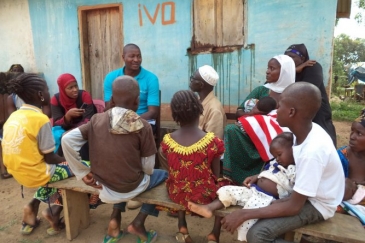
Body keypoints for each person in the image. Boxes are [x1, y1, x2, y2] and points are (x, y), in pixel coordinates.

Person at [220, 82, 345, 243]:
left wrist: (244, 214)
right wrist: (260, 175)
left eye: (280, 106)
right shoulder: (302, 131)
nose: (275, 110)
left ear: (292, 112)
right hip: (301, 194)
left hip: (318, 204)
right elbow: (287, 165)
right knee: (257, 213)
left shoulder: (313, 151)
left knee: (258, 234)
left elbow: (294, 206)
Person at [62, 75, 168, 243]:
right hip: (132, 186)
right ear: (136, 101)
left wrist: (82, 172)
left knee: (118, 172)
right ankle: (139, 223)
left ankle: (114, 222)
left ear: (111, 99)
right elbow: (147, 169)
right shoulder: (143, 126)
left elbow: (67, 140)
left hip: (103, 188)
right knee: (164, 175)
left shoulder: (96, 120)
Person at [188, 132, 295, 242]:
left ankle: (246, 239)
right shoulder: (276, 163)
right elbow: (268, 173)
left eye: (279, 154)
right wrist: (257, 176)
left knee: (248, 222)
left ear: (293, 150)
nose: (277, 158)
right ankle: (209, 208)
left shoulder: (294, 170)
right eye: (275, 156)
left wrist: (283, 201)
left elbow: (294, 191)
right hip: (253, 190)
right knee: (228, 190)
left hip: (266, 200)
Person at [2, 73, 73, 235]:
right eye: (47, 90)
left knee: (46, 169)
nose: (49, 93)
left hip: (17, 173)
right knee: (81, 168)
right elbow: (51, 157)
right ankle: (54, 212)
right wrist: (70, 161)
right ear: (41, 95)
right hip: (37, 174)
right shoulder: (40, 119)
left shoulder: (14, 116)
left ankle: (31, 207)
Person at [159, 90, 232, 243]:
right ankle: (214, 234)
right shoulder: (212, 142)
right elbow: (215, 175)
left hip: (177, 193)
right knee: (226, 186)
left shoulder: (167, 141)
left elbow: (170, 170)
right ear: (200, 109)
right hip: (204, 195)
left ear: (174, 114)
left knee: (179, 180)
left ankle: (183, 229)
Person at [223, 54, 295, 185]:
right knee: (230, 130)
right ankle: (233, 177)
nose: (267, 71)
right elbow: (239, 111)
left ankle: (269, 179)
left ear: (284, 72)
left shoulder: (295, 93)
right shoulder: (261, 90)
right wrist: (253, 114)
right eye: (268, 68)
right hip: (251, 134)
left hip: (279, 135)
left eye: (272, 68)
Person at [284, 44, 337, 146]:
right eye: (286, 57)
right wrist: (294, 70)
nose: (288, 60)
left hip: (317, 111)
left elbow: (306, 91)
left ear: (302, 58)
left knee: (323, 139)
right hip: (298, 112)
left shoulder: (312, 67)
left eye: (292, 57)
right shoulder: (288, 71)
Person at [103, 43, 159, 121]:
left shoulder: (151, 79)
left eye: (139, 56)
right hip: (117, 120)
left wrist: (132, 121)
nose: (136, 60)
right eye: (132, 56)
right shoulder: (111, 78)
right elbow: (108, 109)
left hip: (142, 120)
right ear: (123, 57)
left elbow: (153, 112)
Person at [189, 65, 226, 139]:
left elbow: (212, 143)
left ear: (201, 85)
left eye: (193, 78)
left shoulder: (215, 110)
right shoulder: (198, 100)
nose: (191, 80)